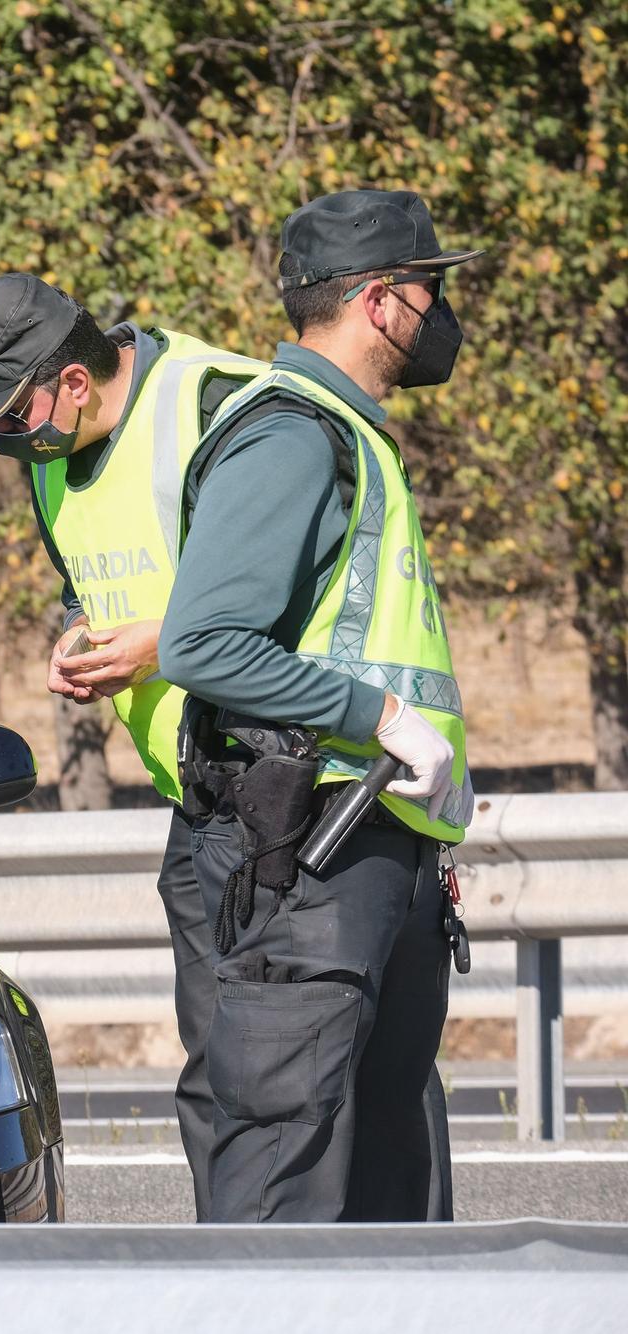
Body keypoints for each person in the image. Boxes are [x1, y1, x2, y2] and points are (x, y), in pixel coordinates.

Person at [158, 189, 478, 1221]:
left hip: (366, 854)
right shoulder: (290, 435)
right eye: (429, 289)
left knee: (388, 1185)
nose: (441, 314)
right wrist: (379, 719)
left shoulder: (349, 434)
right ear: (379, 299)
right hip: (310, 861)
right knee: (283, 1188)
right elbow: (199, 644)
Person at [0, 273, 261, 1219]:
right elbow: (107, 575)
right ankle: (234, 1272)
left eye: (12, 416)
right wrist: (84, 632)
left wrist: (164, 643)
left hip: (300, 785)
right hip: (203, 802)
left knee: (296, 1082)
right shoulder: (52, 459)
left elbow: (296, 588)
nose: (6, 439)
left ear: (73, 384)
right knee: (217, 1081)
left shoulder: (219, 408)